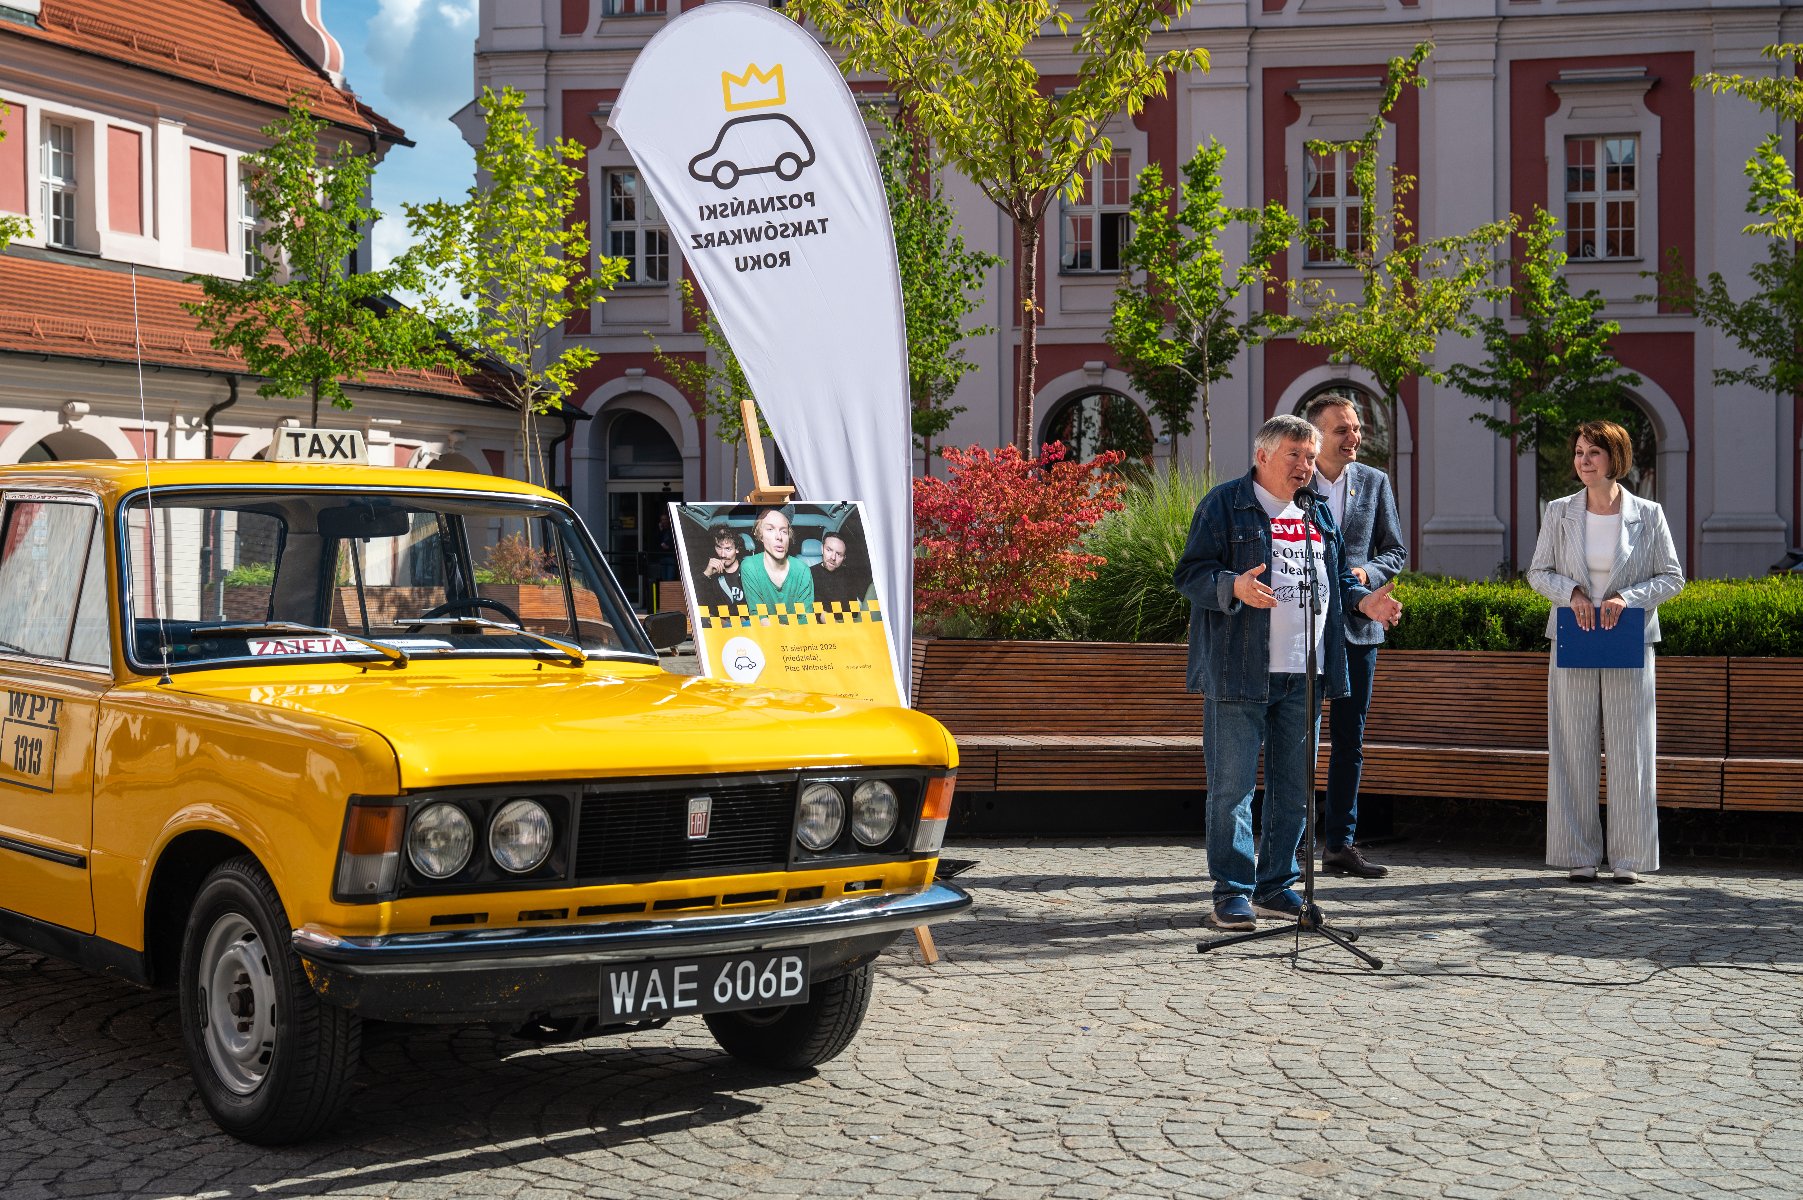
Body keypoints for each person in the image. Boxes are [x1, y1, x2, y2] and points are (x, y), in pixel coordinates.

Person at [1175, 415, 1403, 932]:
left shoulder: (1317, 511)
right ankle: (1231, 892)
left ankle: (1277, 885)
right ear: (1263, 455)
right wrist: (1233, 586)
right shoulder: (1225, 504)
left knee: (1294, 790)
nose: (1305, 466)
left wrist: (1366, 603)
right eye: (1295, 455)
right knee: (1232, 789)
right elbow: (1190, 573)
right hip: (1240, 673)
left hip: (1307, 672)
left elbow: (1338, 580)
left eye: (1309, 455)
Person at [1526, 419, 1684, 884]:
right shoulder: (1558, 512)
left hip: (1629, 637)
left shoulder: (1648, 513)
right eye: (1578, 452)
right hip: (1573, 635)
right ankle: (1577, 853)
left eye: (1593, 452)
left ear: (1615, 459)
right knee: (1571, 746)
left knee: (1631, 748)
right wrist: (1571, 591)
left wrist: (1627, 598)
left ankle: (1630, 858)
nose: (1583, 461)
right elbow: (1538, 572)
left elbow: (1672, 577)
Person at [1305, 394, 1407, 879]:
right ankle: (1294, 844)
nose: (1354, 438)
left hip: (1359, 631)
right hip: (1302, 627)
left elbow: (1395, 550)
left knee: (1350, 740)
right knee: (1298, 738)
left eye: (1357, 428)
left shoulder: (1374, 481)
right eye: (1342, 429)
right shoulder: (1295, 482)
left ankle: (1340, 844)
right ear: (1316, 434)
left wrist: (1364, 575)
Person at [740, 506, 815, 612]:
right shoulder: (749, 566)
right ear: (760, 535)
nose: (779, 537)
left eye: (784, 531)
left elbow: (805, 619)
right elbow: (759, 616)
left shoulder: (803, 570)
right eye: (770, 529)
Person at [812, 531, 867, 605]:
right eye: (829, 550)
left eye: (839, 554)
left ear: (844, 557)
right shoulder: (809, 573)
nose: (833, 557)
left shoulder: (850, 575)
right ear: (822, 549)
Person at [702, 523, 747, 607]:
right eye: (719, 547)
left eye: (728, 549)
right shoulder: (712, 574)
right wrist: (707, 574)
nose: (722, 554)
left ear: (737, 549)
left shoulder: (748, 569)